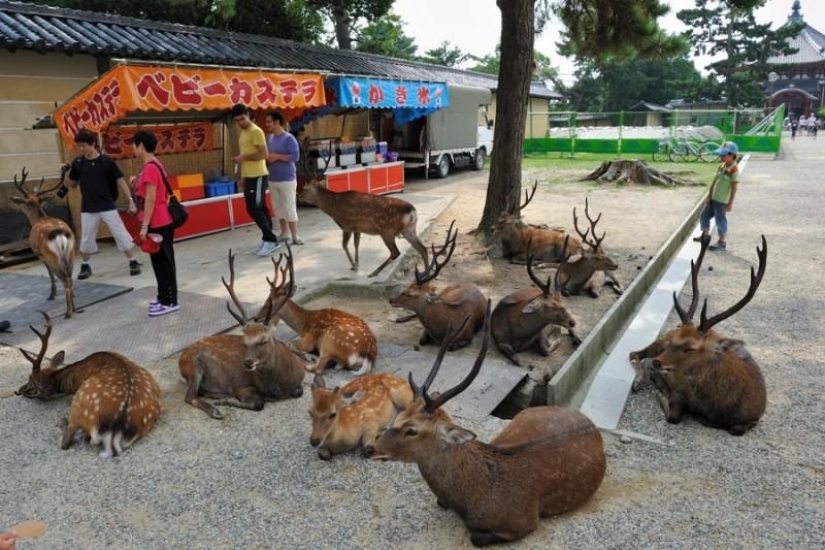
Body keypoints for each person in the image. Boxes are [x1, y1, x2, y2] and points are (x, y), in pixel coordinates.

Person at [61, 128, 141, 279]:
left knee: (120, 233)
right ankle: (85, 266)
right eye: (79, 145)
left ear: (93, 144)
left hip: (107, 206)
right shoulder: (78, 163)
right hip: (88, 208)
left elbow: (120, 180)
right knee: (86, 238)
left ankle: (133, 261)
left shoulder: (106, 161)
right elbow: (71, 185)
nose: (82, 148)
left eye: (84, 145)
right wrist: (64, 173)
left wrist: (131, 200)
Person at [132, 130, 179, 316]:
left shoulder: (151, 167)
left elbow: (151, 199)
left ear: (141, 146)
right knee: (158, 261)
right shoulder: (152, 165)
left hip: (158, 222)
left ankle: (170, 301)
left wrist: (144, 226)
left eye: (134, 145)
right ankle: (163, 297)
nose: (133, 148)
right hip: (156, 220)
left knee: (164, 262)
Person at [230, 104, 281, 256]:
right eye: (237, 120)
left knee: (254, 208)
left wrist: (243, 158)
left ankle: (271, 240)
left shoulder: (256, 131)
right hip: (250, 176)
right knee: (260, 207)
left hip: (259, 175)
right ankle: (268, 239)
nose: (240, 122)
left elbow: (263, 154)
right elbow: (245, 156)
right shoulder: (243, 133)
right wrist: (243, 177)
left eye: (242, 119)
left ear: (248, 115)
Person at [264, 111, 303, 245]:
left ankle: (295, 235)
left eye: (269, 121)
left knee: (289, 207)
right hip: (273, 179)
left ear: (277, 122)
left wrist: (278, 157)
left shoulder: (289, 138)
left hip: (287, 179)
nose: (267, 124)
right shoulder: (270, 138)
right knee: (278, 207)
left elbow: (295, 157)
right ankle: (284, 233)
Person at [693, 141, 740, 252]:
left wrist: (730, 203)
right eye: (720, 155)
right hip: (713, 198)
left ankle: (722, 242)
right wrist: (709, 196)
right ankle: (705, 235)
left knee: (720, 220)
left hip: (722, 201)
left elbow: (734, 188)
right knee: (704, 215)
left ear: (732, 155)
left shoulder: (734, 170)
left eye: (723, 155)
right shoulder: (721, 166)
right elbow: (714, 182)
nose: (720, 157)